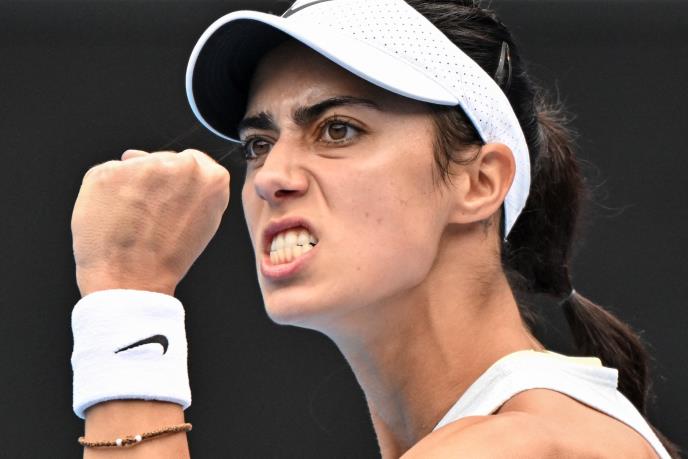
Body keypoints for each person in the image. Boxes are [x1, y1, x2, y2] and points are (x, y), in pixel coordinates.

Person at [69, 0, 679, 457]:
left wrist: (127, 293)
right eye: (258, 143)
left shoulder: (525, 444)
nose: (270, 176)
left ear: (479, 182)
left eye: (338, 129)